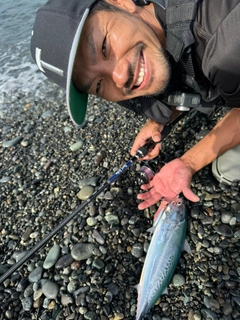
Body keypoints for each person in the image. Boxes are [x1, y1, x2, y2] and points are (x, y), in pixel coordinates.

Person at [31, 0, 240, 211]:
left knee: (226, 170)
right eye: (98, 84)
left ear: (121, 2)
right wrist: (159, 121)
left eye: (104, 47)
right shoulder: (144, 36)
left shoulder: (225, 48)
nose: (120, 78)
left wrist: (189, 162)